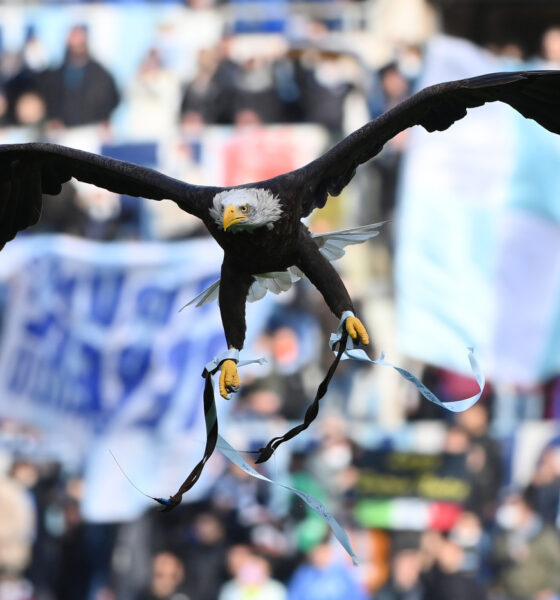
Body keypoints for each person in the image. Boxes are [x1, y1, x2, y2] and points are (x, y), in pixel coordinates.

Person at [42, 25, 120, 129]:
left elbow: (112, 98)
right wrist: (54, 118)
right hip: (63, 131)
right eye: (73, 42)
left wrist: (104, 118)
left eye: (80, 43)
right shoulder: (55, 75)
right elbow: (50, 99)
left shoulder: (101, 74)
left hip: (92, 129)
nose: (76, 46)